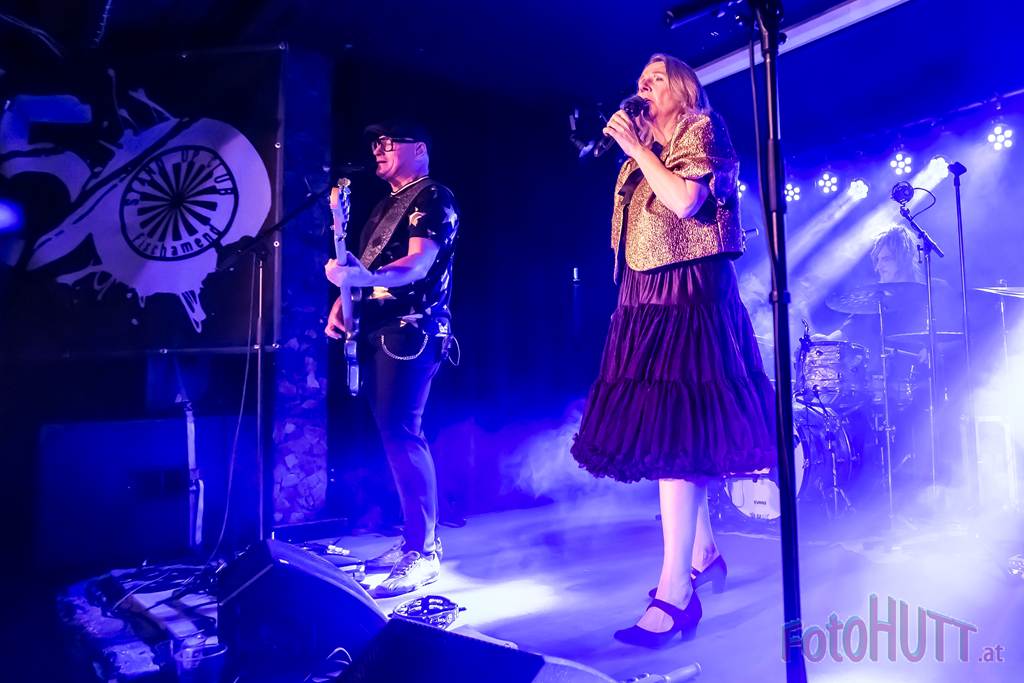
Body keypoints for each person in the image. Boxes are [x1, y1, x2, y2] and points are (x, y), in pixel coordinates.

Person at [571, 54, 775, 647]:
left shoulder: (702, 127)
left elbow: (686, 202)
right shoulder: (644, 151)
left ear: (683, 88)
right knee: (674, 431)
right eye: (640, 79)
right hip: (645, 295)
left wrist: (639, 150)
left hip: (688, 292)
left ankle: (676, 594)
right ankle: (703, 554)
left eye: (656, 78)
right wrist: (637, 150)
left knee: (675, 436)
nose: (644, 85)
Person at [324, 121, 459, 598]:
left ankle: (424, 552)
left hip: (411, 330)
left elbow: (417, 265)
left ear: (419, 149)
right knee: (393, 435)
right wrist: (344, 301)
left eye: (388, 142)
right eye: (375, 143)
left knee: (403, 434)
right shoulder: (386, 205)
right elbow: (368, 268)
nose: (377, 149)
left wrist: (359, 279)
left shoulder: (434, 196)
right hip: (379, 328)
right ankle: (412, 540)